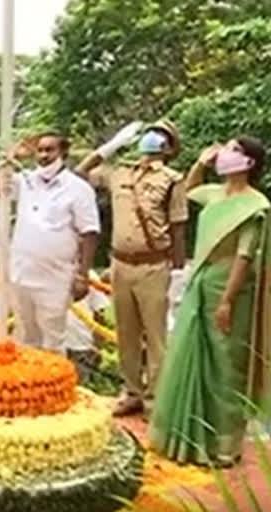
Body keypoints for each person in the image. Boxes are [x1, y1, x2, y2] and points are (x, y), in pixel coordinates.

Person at [149, 136, 271, 466]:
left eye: (232, 150)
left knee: (225, 361)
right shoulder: (216, 195)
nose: (224, 154)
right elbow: (189, 190)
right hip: (201, 283)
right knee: (195, 356)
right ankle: (191, 439)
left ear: (248, 163)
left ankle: (224, 446)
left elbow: (244, 257)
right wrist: (201, 162)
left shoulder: (255, 205)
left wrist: (227, 301)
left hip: (230, 288)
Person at [76, 120, 188, 417]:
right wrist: (111, 146)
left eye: (160, 135)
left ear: (169, 147)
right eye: (150, 132)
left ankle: (155, 398)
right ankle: (132, 392)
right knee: (127, 334)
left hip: (154, 265)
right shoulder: (120, 173)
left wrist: (176, 271)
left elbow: (178, 229)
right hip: (120, 264)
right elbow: (81, 173)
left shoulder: (173, 179)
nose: (151, 138)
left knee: (155, 336)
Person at [0, 132, 100, 354]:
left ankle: (52, 387)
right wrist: (8, 160)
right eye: (40, 150)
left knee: (53, 341)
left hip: (55, 278)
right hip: (22, 275)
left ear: (63, 153)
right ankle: (29, 386)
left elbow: (90, 233)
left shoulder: (78, 188)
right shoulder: (26, 181)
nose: (44, 155)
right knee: (26, 338)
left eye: (50, 150)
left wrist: (83, 275)